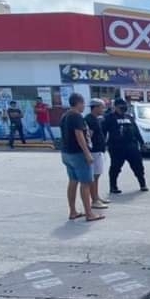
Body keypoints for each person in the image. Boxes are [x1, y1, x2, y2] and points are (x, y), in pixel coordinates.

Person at [59, 94, 103, 223]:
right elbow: (79, 135)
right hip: (78, 154)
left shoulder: (65, 116)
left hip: (67, 153)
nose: (84, 107)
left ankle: (73, 211)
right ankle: (89, 213)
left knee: (73, 181)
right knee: (86, 183)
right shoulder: (76, 116)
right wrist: (87, 153)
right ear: (79, 103)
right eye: (83, 104)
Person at [102, 98, 148, 194]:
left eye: (124, 106)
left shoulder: (129, 117)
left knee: (138, 166)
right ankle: (113, 186)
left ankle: (143, 184)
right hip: (116, 147)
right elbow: (103, 132)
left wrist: (142, 143)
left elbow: (136, 131)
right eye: (121, 107)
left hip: (131, 146)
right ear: (115, 107)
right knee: (115, 167)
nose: (123, 108)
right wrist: (103, 145)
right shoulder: (109, 118)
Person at [85, 99, 110, 209]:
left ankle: (97, 196)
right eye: (101, 107)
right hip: (94, 151)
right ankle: (94, 200)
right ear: (95, 107)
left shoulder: (95, 119)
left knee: (97, 175)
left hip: (98, 150)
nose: (103, 109)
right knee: (94, 176)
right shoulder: (90, 119)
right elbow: (88, 136)